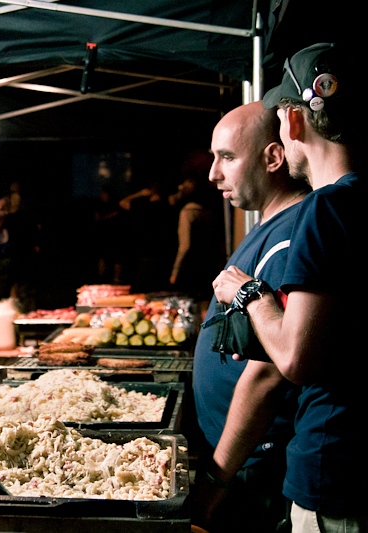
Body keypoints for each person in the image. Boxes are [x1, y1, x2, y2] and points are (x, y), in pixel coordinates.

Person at [212, 43, 367, 532]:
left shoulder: (327, 210)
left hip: (333, 471)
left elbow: (296, 359)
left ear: (294, 123)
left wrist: (247, 295)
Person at [191, 102, 310, 532]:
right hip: (242, 461)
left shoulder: (289, 237)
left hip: (253, 469)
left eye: (227, 157)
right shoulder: (267, 225)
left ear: (274, 157)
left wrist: (216, 476)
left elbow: (268, 375)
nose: (213, 174)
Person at [169, 151, 226, 307]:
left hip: (191, 269)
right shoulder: (209, 212)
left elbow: (185, 245)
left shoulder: (187, 212)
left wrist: (175, 272)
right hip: (210, 266)